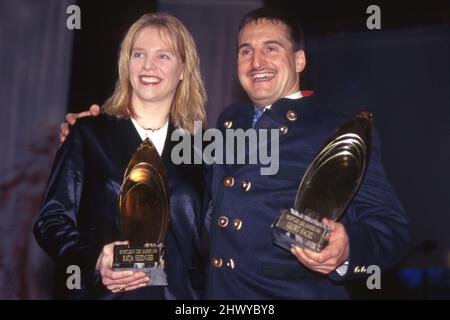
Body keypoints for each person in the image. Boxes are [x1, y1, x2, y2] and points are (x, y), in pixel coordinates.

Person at [61, 8, 412, 299]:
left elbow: (392, 229)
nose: (256, 60)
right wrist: (100, 128)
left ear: (299, 59)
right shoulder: (226, 125)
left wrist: (347, 249)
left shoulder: (336, 132)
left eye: (271, 48)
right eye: (245, 51)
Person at [35, 13, 207, 299]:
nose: (148, 65)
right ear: (125, 64)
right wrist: (95, 257)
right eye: (138, 54)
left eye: (163, 56)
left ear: (182, 70)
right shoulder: (88, 135)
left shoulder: (202, 150)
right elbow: (50, 222)